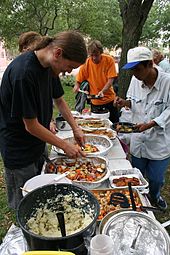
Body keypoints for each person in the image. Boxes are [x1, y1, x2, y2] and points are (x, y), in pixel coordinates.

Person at [0, 30, 87, 210]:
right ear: (58, 53)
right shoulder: (23, 73)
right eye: (70, 66)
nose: (69, 71)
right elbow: (30, 126)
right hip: (19, 150)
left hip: (39, 144)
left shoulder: (49, 68)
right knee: (25, 204)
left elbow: (60, 100)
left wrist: (76, 128)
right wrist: (65, 145)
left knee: (43, 196)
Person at [115, 46, 170, 210]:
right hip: (138, 139)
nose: (134, 74)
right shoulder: (135, 80)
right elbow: (132, 102)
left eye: (137, 69)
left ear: (150, 64)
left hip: (158, 143)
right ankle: (139, 201)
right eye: (132, 70)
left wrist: (152, 123)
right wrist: (124, 103)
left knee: (155, 179)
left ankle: (155, 196)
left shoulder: (167, 82)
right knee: (137, 176)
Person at [73, 40, 119, 123]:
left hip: (109, 100)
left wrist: (103, 91)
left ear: (101, 52)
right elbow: (79, 79)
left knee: (114, 125)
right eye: (92, 55)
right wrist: (77, 86)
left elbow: (111, 79)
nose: (94, 58)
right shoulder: (86, 63)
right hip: (95, 102)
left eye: (96, 55)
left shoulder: (109, 60)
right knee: (97, 126)